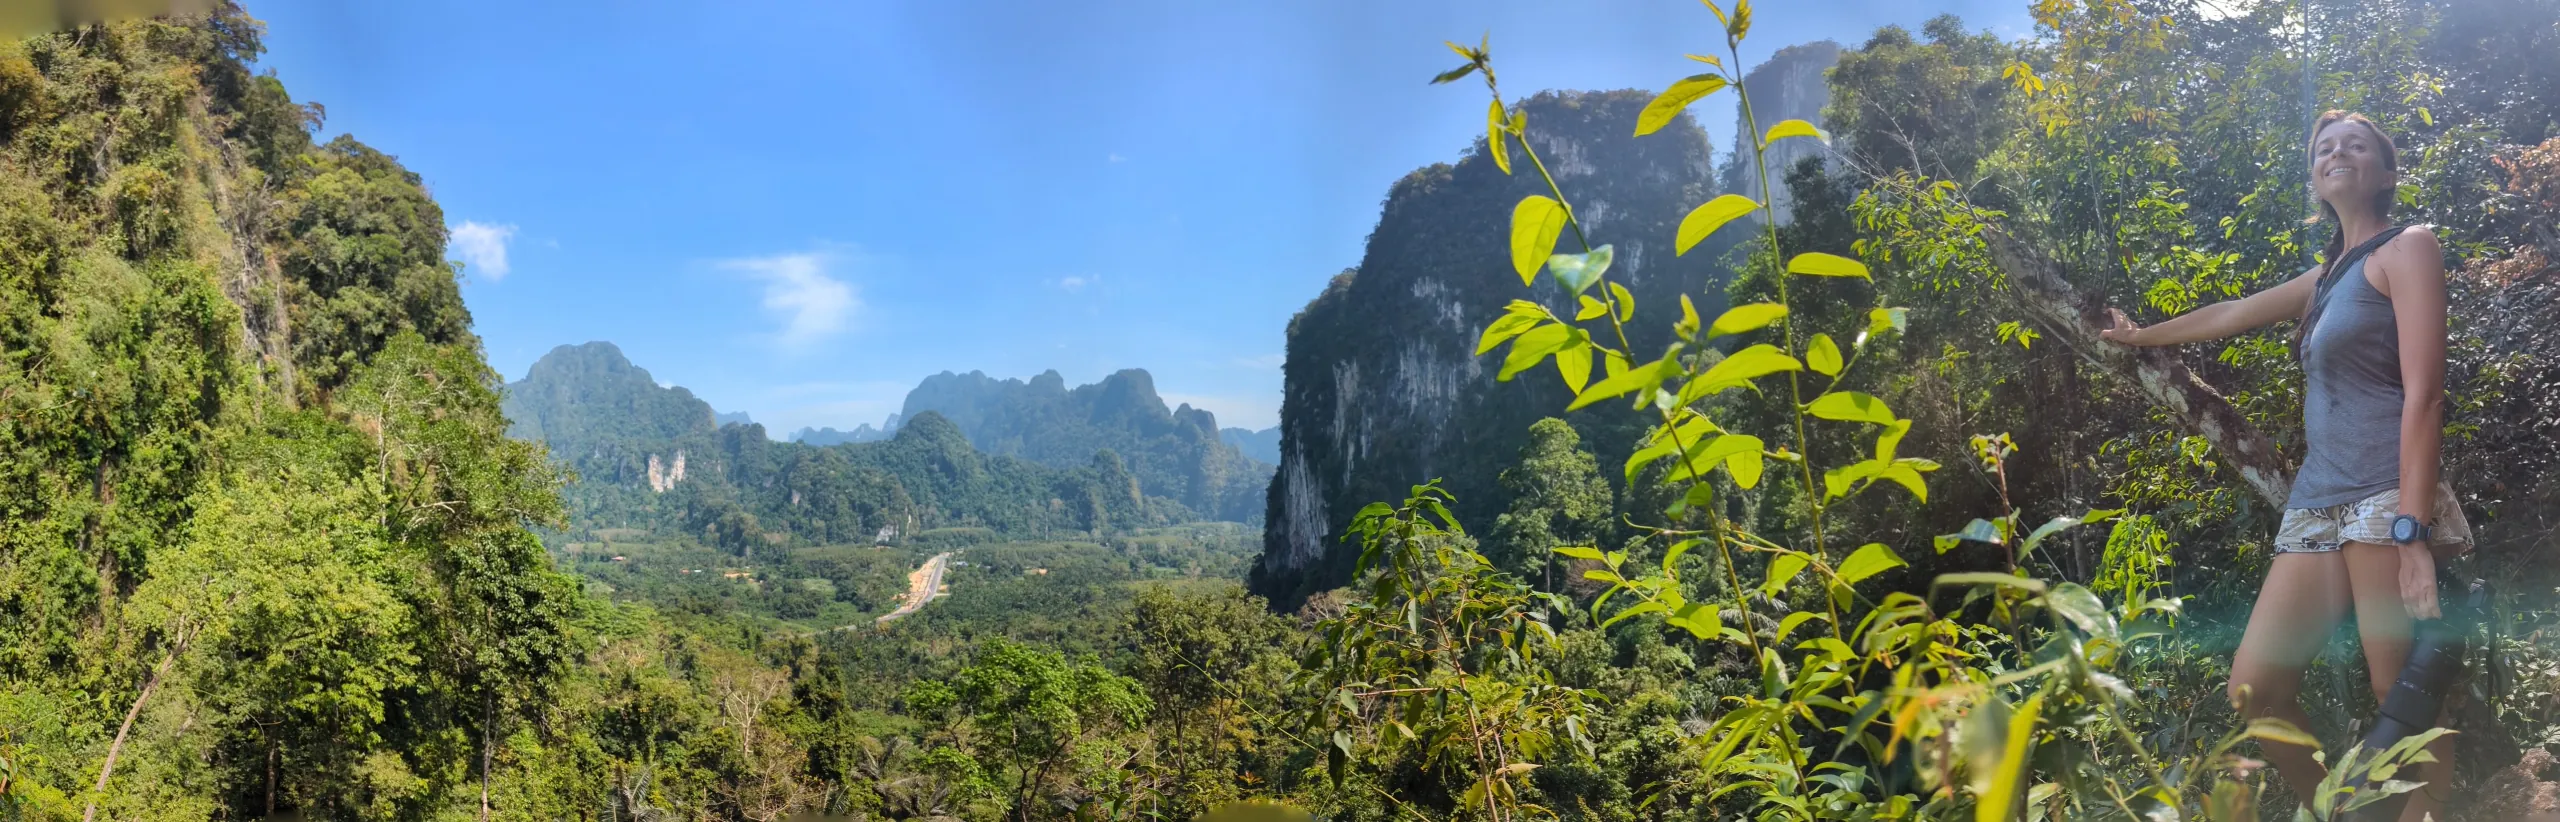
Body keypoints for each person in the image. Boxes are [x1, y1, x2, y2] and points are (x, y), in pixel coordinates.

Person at [2099, 110, 2472, 819]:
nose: (2338, 152)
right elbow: (2231, 311)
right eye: (2324, 147)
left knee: (2398, 687)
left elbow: (2424, 396)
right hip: (2316, 503)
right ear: (2314, 178)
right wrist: (2139, 336)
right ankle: (2339, 812)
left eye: (2356, 145)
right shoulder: (2326, 275)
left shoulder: (2408, 248)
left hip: (2381, 495)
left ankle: (2433, 814)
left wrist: (2411, 533)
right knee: (2257, 691)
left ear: (2385, 173)